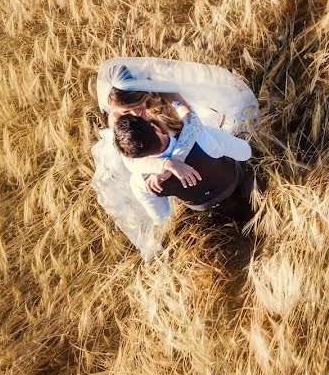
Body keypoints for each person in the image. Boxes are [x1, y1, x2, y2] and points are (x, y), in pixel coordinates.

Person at [91, 57, 259, 259]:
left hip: (178, 136)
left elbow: (193, 124)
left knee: (209, 143)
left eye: (138, 105)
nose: (136, 114)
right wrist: (166, 164)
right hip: (149, 148)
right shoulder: (116, 119)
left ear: (144, 91)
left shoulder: (164, 91)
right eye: (127, 111)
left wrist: (175, 161)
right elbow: (131, 160)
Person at [112, 114, 252, 226]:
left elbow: (161, 216)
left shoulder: (141, 181)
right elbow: (245, 152)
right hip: (231, 181)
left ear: (136, 157)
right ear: (155, 127)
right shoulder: (200, 137)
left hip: (201, 205)